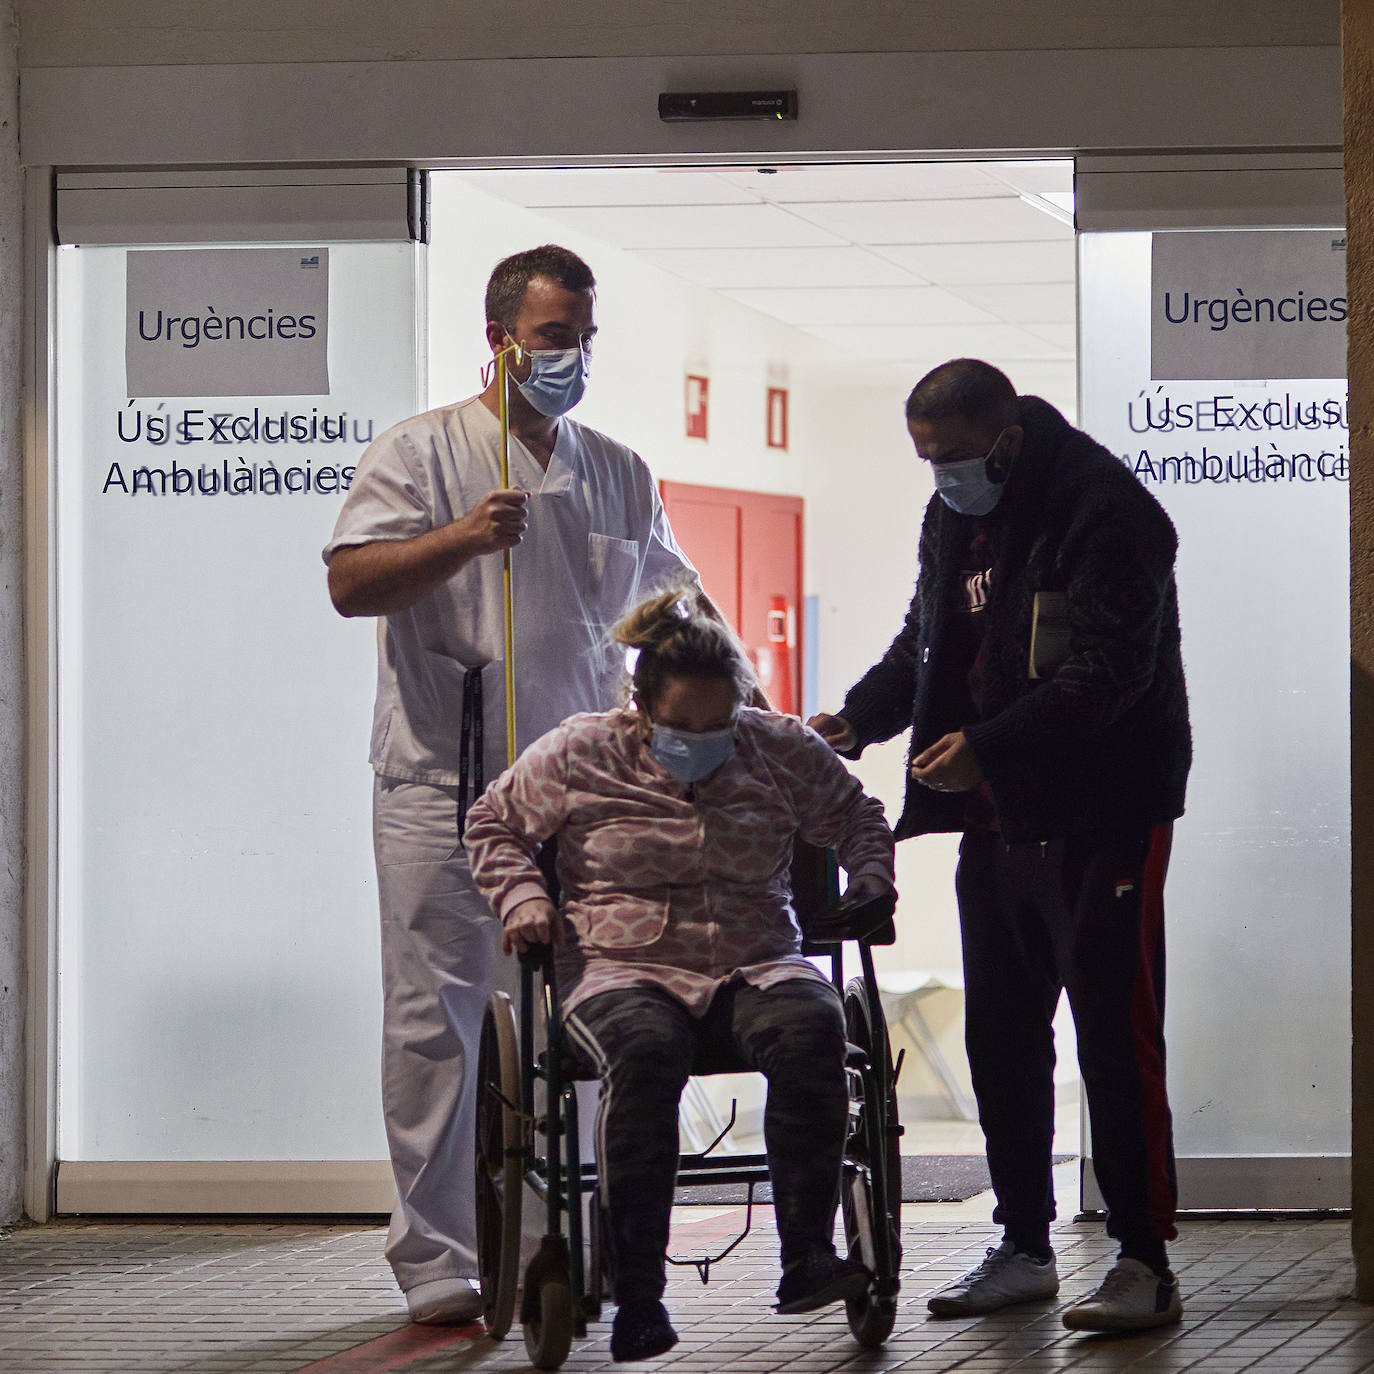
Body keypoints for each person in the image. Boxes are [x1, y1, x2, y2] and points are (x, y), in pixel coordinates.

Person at [323, 245, 699, 1326]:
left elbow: (670, 609)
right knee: (439, 1015)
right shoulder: (421, 451)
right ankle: (439, 1258)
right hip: (445, 783)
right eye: (552, 337)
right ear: (499, 340)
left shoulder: (617, 469)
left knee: (586, 1017)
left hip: (583, 798)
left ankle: (565, 1241)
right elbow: (351, 582)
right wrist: (460, 537)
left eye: (582, 335)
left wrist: (748, 715)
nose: (571, 356)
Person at [808, 358, 1191, 1334]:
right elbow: (926, 641)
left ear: (1008, 442)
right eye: (925, 458)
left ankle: (1144, 1261)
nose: (938, 474)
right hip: (999, 821)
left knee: (1112, 1035)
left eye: (952, 457)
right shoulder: (954, 516)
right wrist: (857, 720)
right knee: (1003, 1038)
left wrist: (987, 747)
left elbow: (1109, 674)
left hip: (1104, 816)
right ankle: (1024, 1243)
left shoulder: (1107, 514)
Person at [463, 589, 897, 1362]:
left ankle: (807, 1256)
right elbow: (492, 823)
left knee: (812, 1027)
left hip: (756, 957)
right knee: (646, 1053)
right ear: (642, 706)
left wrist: (870, 880)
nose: (701, 741)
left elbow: (859, 814)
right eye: (681, 727)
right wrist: (525, 896)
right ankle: (639, 1297)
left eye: (716, 726)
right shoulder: (579, 751)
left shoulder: (778, 746)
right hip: (619, 969)